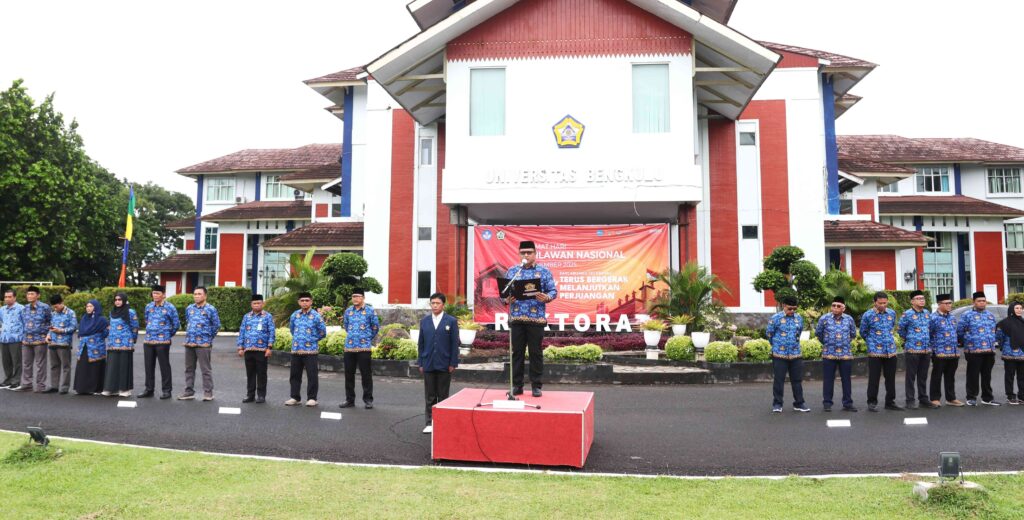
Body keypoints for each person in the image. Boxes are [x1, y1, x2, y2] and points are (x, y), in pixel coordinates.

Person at [504, 240, 557, 397]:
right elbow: (504, 292)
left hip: (536, 319)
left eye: (529, 252)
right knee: (517, 353)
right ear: (519, 254)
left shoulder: (544, 272)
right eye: (523, 252)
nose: (526, 255)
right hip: (516, 318)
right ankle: (517, 386)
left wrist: (546, 297)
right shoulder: (513, 271)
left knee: (535, 353)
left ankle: (536, 386)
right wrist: (507, 300)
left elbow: (553, 291)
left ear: (535, 254)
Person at [417, 292, 460, 433]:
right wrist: (421, 362)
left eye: (437, 303)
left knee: (442, 395)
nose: (435, 305)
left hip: (444, 363)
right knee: (429, 395)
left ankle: (441, 422)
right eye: (432, 303)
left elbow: (454, 343)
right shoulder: (425, 321)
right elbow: (421, 343)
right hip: (428, 362)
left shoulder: (451, 321)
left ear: (443, 305)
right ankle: (429, 422)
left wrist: (453, 362)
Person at [860, 291, 902, 412]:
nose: (883, 305)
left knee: (890, 378)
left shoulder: (892, 313)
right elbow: (863, 332)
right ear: (875, 302)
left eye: (885, 303)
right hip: (875, 351)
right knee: (874, 378)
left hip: (890, 351)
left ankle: (890, 402)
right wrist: (871, 342)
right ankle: (872, 402)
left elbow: (892, 328)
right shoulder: (868, 315)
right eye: (880, 303)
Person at [957, 291, 999, 406]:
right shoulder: (967, 315)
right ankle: (971, 397)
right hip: (973, 350)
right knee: (973, 375)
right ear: (974, 302)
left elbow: (993, 330)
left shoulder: (990, 315)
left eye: (983, 301)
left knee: (987, 375)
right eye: (979, 301)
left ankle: (987, 398)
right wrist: (968, 341)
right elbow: (960, 331)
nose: (982, 303)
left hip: (989, 351)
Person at [766, 295, 807, 413]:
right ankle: (777, 404)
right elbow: (769, 334)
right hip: (779, 354)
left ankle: (799, 403)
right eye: (790, 309)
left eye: (794, 309)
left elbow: (799, 332)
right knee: (779, 380)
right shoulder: (776, 318)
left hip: (795, 354)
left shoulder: (799, 318)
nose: (792, 311)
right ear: (784, 306)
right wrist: (777, 345)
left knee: (797, 380)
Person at [816, 296, 857, 412]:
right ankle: (827, 403)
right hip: (829, 354)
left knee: (846, 380)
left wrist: (844, 343)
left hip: (845, 354)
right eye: (833, 305)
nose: (835, 308)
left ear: (843, 308)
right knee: (828, 379)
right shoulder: (824, 319)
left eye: (838, 306)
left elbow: (853, 334)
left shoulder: (849, 319)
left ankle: (848, 403)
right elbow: (818, 333)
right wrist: (828, 343)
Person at [340, 288, 379, 409]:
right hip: (350, 347)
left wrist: (366, 338)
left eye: (358, 296)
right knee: (348, 374)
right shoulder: (348, 311)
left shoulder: (370, 311)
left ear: (363, 298)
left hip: (364, 348)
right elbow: (346, 326)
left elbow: (375, 327)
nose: (355, 299)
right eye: (353, 297)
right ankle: (349, 400)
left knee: (366, 374)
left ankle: (368, 400)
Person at [179, 286, 220, 401]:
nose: (196, 296)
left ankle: (208, 393)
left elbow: (216, 325)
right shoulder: (189, 308)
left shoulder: (210, 309)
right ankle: (189, 391)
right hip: (189, 343)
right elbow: (188, 321)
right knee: (189, 369)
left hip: (203, 344)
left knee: (205, 370)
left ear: (205, 296)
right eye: (195, 294)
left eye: (199, 294)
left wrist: (207, 338)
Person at [286, 292, 326, 407]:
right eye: (302, 300)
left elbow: (322, 332)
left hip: (311, 351)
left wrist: (311, 340)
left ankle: (312, 398)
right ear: (299, 302)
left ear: (311, 302)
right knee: (294, 375)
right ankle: (295, 397)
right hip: (296, 349)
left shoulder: (316, 316)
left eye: (307, 300)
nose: (304, 302)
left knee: (312, 375)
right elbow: (292, 330)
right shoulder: (295, 315)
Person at [141, 285, 180, 399]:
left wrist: (167, 335)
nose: (155, 295)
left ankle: (167, 390)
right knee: (148, 366)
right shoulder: (148, 306)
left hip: (163, 341)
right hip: (148, 341)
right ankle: (149, 389)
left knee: (164, 366)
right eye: (153, 293)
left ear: (163, 295)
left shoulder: (170, 307)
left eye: (158, 293)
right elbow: (146, 320)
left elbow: (176, 324)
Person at [237, 294, 275, 404]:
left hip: (262, 350)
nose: (257, 305)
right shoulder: (246, 316)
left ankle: (261, 395)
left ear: (263, 304)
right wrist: (240, 347)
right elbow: (242, 332)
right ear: (251, 304)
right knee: (250, 374)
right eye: (254, 303)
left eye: (259, 303)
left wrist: (269, 347)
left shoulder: (267, 316)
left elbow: (271, 332)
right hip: (248, 349)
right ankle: (250, 395)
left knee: (261, 374)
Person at [898, 290, 932, 409]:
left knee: (923, 376)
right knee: (911, 377)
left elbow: (930, 329)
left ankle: (923, 399)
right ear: (912, 301)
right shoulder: (907, 314)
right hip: (912, 349)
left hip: (926, 350)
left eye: (923, 298)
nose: (922, 300)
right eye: (918, 298)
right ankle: (910, 400)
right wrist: (910, 339)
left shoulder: (927, 313)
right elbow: (901, 330)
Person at [928, 294, 963, 407]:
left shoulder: (952, 317)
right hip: (939, 352)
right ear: (939, 304)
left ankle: (951, 398)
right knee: (937, 376)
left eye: (950, 303)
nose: (949, 305)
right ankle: (935, 398)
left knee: (950, 376)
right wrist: (933, 349)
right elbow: (929, 334)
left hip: (953, 352)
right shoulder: (932, 318)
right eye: (946, 303)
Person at [16, 286, 52, 392]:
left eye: (32, 294)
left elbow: (51, 322)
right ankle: (27, 384)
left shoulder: (45, 307)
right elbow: (22, 323)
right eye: (28, 294)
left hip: (40, 340)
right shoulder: (24, 308)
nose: (29, 296)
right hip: (26, 340)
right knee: (26, 363)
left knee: (40, 364)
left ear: (38, 295)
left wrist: (47, 334)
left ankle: (41, 386)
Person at [103, 292, 139, 397]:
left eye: (119, 299)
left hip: (125, 343)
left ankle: (124, 389)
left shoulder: (130, 312)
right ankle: (111, 388)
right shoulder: (112, 312)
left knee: (123, 366)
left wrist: (133, 340)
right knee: (112, 366)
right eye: (116, 300)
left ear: (123, 300)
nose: (117, 302)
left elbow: (135, 327)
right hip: (113, 343)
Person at [73, 300, 108, 395]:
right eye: (87, 306)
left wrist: (95, 337)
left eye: (91, 306)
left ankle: (95, 388)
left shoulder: (102, 319)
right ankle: (82, 388)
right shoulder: (84, 318)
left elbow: (106, 333)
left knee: (95, 367)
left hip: (96, 347)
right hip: (84, 346)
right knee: (83, 366)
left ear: (96, 307)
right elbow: (81, 331)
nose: (88, 308)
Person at [45, 294, 77, 394]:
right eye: (53, 306)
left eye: (56, 306)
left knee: (65, 366)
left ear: (62, 303)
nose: (55, 308)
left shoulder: (70, 313)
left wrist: (61, 331)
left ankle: (64, 387)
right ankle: (54, 386)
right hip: (52, 343)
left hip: (64, 343)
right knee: (54, 365)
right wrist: (48, 335)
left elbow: (73, 327)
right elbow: (51, 326)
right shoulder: (53, 313)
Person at [995, 301, 1024, 405]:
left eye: (1021, 308)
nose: (1019, 310)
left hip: (1022, 354)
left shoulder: (1023, 322)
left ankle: (1022, 396)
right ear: (1012, 310)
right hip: (1009, 354)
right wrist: (1004, 346)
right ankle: (1010, 396)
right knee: (1009, 376)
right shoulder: (1004, 323)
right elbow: (999, 337)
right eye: (1017, 308)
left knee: (1022, 376)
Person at [0, 289, 25, 389]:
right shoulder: (2, 309)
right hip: (4, 339)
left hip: (16, 339)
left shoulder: (21, 309)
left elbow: (25, 323)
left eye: (9, 297)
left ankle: (16, 381)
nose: (7, 299)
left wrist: (24, 337)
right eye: (5, 297)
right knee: (6, 361)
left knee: (16, 361)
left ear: (15, 297)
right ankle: (8, 380)